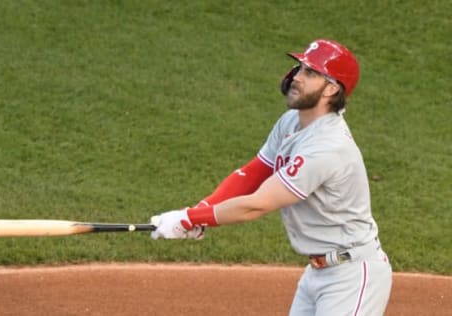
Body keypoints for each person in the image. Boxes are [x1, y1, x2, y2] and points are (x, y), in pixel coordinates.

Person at [150, 39, 393, 316]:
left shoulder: (327, 147)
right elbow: (252, 173)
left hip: (351, 276)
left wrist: (189, 218)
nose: (297, 78)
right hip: (317, 272)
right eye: (299, 68)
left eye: (310, 73)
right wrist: (199, 211)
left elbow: (257, 204)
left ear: (332, 88)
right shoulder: (292, 121)